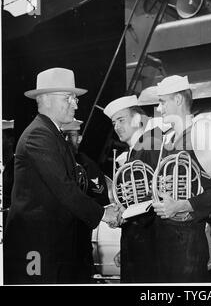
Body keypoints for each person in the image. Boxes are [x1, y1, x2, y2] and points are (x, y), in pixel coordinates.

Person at [3, 67, 122, 284]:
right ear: (46, 99)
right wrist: (103, 215)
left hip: (49, 244)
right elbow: (64, 188)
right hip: (36, 247)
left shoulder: (52, 134)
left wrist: (103, 209)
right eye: (69, 98)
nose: (75, 104)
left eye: (74, 99)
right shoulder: (39, 135)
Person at [152, 75, 211, 282]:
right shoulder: (168, 140)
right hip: (165, 238)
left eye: (163, 102)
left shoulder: (200, 135)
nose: (159, 108)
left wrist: (180, 205)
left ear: (178, 100)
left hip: (188, 240)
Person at [103, 95, 163, 283]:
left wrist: (124, 215)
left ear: (138, 119)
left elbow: (155, 194)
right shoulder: (134, 151)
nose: (117, 127)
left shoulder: (151, 143)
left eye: (121, 120)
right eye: (114, 123)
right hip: (137, 239)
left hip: (150, 240)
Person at [61, 118, 110, 282]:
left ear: (79, 139)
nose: (67, 140)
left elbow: (101, 200)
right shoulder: (53, 163)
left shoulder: (89, 166)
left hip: (80, 241)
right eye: (64, 135)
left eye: (72, 135)